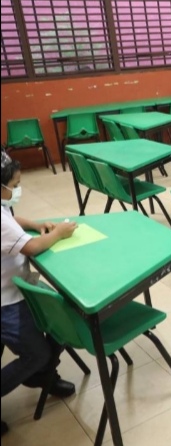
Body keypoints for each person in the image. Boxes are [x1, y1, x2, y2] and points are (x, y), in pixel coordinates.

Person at [1, 150, 78, 437]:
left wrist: (35, 225)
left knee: (61, 316)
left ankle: (46, 374)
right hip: (6, 299)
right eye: (15, 183)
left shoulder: (2, 206)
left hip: (18, 286)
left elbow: (10, 217)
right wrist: (58, 233)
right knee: (37, 353)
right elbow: (32, 248)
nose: (18, 189)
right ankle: (41, 369)